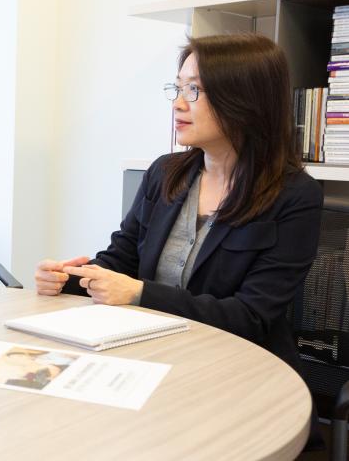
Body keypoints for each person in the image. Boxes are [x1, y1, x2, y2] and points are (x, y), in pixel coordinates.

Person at [35, 33, 323, 447]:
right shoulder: (166, 173)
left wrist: (138, 293)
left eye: (195, 90)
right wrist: (72, 278)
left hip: (242, 383)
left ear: (243, 97)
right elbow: (121, 258)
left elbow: (251, 318)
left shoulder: (294, 196)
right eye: (178, 87)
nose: (178, 103)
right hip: (148, 365)